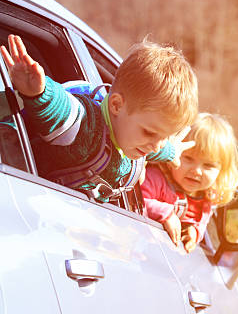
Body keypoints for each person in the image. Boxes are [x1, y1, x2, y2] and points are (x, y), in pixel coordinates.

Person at [0, 34, 198, 202]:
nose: (155, 145)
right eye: (149, 133)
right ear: (116, 105)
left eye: (163, 137)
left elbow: (158, 150)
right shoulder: (87, 127)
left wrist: (172, 151)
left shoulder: (137, 137)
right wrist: (39, 92)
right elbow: (64, 109)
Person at [141, 112, 238, 253]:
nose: (197, 171)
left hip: (167, 258)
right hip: (140, 250)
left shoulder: (207, 198)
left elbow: (201, 222)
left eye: (208, 165)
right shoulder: (156, 178)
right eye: (188, 158)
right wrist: (166, 214)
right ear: (174, 152)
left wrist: (194, 232)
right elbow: (138, 200)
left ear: (222, 171)